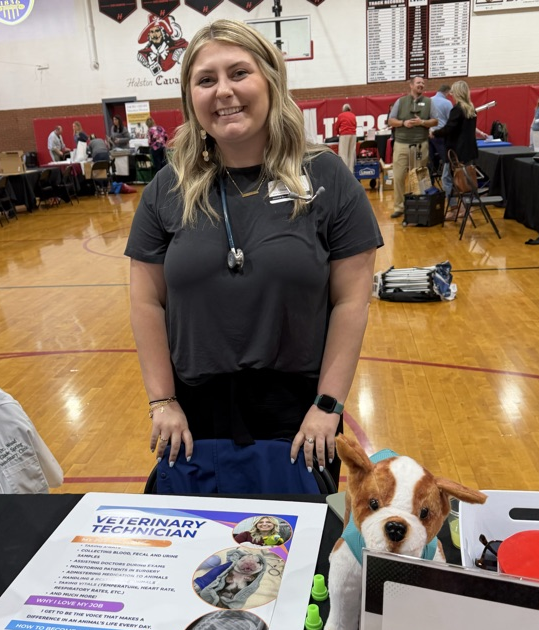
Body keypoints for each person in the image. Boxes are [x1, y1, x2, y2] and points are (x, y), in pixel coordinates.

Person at [125, 19, 381, 487]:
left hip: (299, 419)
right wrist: (162, 402)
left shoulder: (326, 177)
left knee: (298, 556)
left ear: (270, 80)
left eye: (238, 73)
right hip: (192, 419)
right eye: (206, 80)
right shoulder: (167, 187)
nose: (223, 91)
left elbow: (351, 302)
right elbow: (146, 301)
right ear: (191, 98)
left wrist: (327, 406)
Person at [387, 76, 438, 218]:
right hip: (401, 144)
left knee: (419, 177)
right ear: (411, 85)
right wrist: (403, 123)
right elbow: (391, 120)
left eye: (423, 83)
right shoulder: (400, 101)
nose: (421, 85)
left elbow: (435, 121)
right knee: (398, 176)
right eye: (418, 83)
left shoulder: (429, 102)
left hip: (420, 145)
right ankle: (399, 207)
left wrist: (422, 122)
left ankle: (419, 206)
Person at [432, 80, 478, 219]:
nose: (451, 94)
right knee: (466, 179)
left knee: (447, 178)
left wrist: (434, 133)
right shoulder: (471, 108)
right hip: (470, 150)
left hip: (456, 152)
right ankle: (466, 207)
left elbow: (449, 129)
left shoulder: (457, 109)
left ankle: (454, 208)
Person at [429, 84, 452, 181]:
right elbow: (451, 121)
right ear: (446, 92)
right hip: (441, 135)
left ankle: (430, 184)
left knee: (430, 161)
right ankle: (448, 183)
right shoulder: (447, 103)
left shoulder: (429, 100)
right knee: (447, 160)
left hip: (429, 134)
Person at [333, 103, 357, 173]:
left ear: (343, 109)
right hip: (353, 135)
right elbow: (355, 125)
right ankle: (351, 172)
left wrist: (338, 133)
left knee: (343, 153)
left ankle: (344, 171)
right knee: (351, 153)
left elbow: (336, 126)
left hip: (344, 135)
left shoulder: (341, 115)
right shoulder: (353, 115)